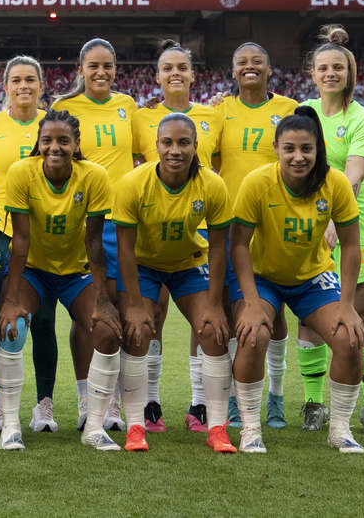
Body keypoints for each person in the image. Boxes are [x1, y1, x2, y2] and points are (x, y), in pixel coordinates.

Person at [230, 107, 364, 454]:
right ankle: (250, 428)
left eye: (306, 148)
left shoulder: (334, 182)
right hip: (264, 278)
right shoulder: (257, 182)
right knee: (253, 334)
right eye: (289, 148)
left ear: (318, 148)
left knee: (350, 338)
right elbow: (238, 246)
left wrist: (348, 306)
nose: (298, 156)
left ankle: (339, 429)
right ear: (276, 148)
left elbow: (350, 245)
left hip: (312, 277)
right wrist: (249, 302)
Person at [0, 110, 119, 451]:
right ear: (38, 142)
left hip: (75, 273)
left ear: (76, 145)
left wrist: (104, 298)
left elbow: (94, 241)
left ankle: (94, 425)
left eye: (63, 141)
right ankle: (10, 424)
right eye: (47, 140)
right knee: (11, 328)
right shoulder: (21, 172)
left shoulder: (94, 176)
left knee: (107, 330)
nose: (55, 147)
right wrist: (11, 299)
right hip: (33, 270)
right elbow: (19, 241)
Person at [114, 114, 236, 453]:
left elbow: (218, 247)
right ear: (156, 146)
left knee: (212, 331)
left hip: (188, 265)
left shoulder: (212, 184)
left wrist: (213, 302)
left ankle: (216, 428)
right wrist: (137, 304)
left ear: (196, 146)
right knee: (138, 332)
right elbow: (124, 250)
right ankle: (136, 426)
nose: (175, 150)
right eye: (167, 142)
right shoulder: (133, 183)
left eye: (184, 143)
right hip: (144, 266)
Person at [299, 26, 364, 436]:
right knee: (308, 316)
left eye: (338, 67)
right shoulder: (303, 112)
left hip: (355, 225)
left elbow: (351, 178)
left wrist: (334, 219)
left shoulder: (363, 119)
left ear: (350, 73)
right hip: (306, 225)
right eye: (323, 67)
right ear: (312, 73)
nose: (330, 73)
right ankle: (313, 403)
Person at [131, 41, 222, 434]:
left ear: (192, 74)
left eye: (182, 67)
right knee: (155, 316)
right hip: (152, 230)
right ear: (157, 76)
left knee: (205, 320)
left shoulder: (215, 115)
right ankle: (150, 402)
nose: (175, 74)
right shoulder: (138, 117)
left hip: (198, 227)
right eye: (167, 67)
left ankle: (199, 404)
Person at [51, 38, 136, 431]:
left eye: (107, 66)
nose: (100, 72)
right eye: (93, 66)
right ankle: (87, 397)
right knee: (86, 313)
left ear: (115, 69)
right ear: (80, 68)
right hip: (82, 222)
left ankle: (111, 401)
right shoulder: (64, 109)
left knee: (116, 308)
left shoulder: (128, 106)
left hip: (121, 221)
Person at [213, 42, 296, 432]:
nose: (250, 67)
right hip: (232, 226)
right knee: (238, 315)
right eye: (242, 62)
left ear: (268, 68)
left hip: (275, 224)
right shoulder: (219, 111)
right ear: (232, 71)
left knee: (274, 317)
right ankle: (234, 398)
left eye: (257, 61)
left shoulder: (289, 110)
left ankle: (276, 396)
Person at [0, 56, 54, 433]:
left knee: (43, 320)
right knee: (1, 318)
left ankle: (44, 405)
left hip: (47, 234)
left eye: (30, 79)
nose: (24, 85)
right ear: (4, 85)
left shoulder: (53, 125)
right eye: (16, 79)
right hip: (3, 233)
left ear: (41, 85)